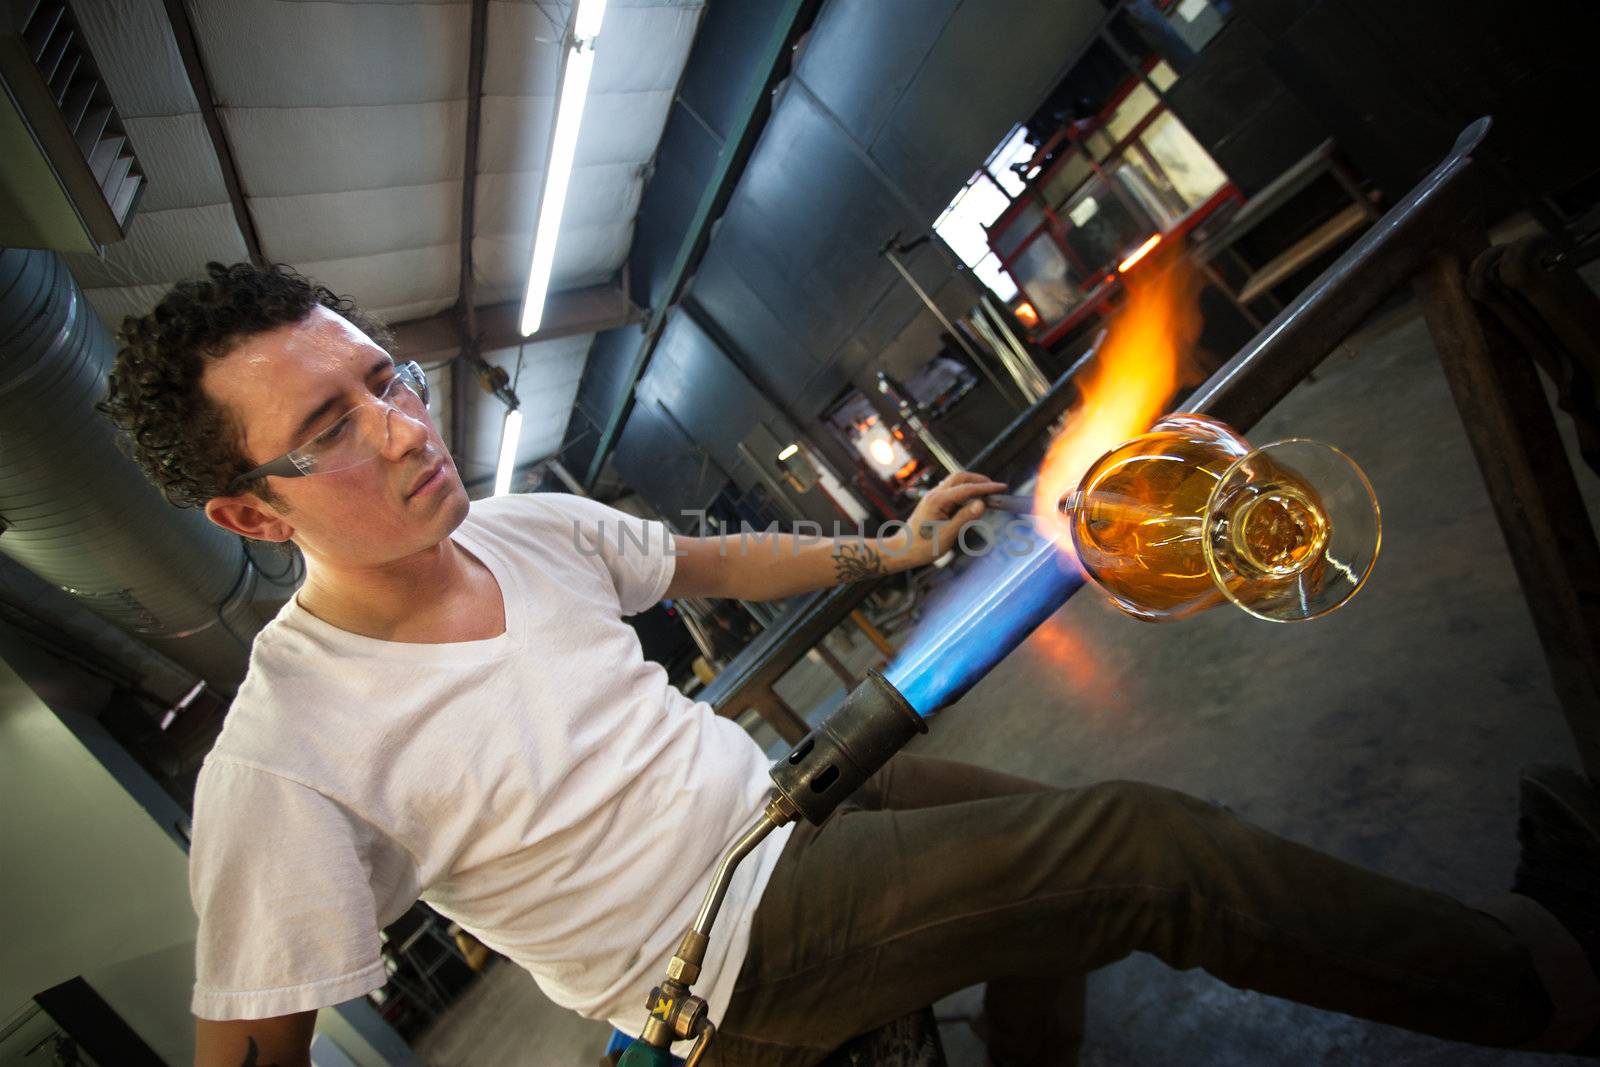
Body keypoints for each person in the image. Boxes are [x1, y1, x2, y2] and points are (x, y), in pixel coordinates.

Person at [101, 262, 1600, 1067]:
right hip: (722, 961)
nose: (404, 430)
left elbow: (701, 560)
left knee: (1036, 861)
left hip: (784, 810)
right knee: (1143, 847)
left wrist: (882, 555)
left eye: (387, 377)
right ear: (247, 510)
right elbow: (246, 1046)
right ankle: (1548, 985)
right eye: (332, 432)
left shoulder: (529, 529)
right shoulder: (287, 754)